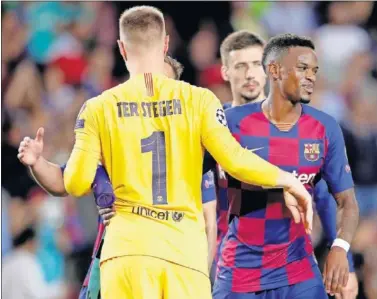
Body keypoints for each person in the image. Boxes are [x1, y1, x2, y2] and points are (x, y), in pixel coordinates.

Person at [60, 6, 312, 299]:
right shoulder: (200, 100)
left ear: (121, 48)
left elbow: (75, 183)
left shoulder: (98, 108)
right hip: (184, 255)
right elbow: (235, 160)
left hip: (128, 253)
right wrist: (288, 180)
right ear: (166, 45)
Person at [17, 56, 217, 299]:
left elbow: (209, 226)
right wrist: (37, 162)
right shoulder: (110, 145)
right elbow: (62, 181)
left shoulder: (193, 154)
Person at [211, 33, 359, 299]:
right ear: (275, 70)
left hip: (298, 269)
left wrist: (340, 248)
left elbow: (344, 200)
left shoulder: (325, 127)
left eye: (314, 70)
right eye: (302, 68)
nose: (311, 76)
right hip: (240, 270)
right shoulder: (230, 122)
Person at [2, 226, 65, 299]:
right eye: (37, 242)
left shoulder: (7, 260)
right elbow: (39, 294)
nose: (38, 247)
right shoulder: (29, 263)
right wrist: (59, 289)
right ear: (30, 242)